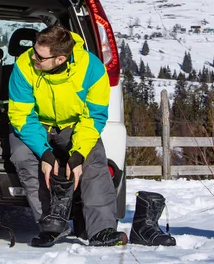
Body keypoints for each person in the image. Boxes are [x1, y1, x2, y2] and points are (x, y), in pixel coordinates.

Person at [8, 24, 127, 247]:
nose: (33, 57)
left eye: (40, 57)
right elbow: (21, 114)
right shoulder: (24, 65)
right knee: (22, 155)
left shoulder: (91, 68)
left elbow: (93, 117)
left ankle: (101, 229)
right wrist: (44, 152)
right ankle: (51, 226)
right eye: (34, 51)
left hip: (73, 125)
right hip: (36, 124)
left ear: (60, 59)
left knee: (94, 157)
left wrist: (78, 154)